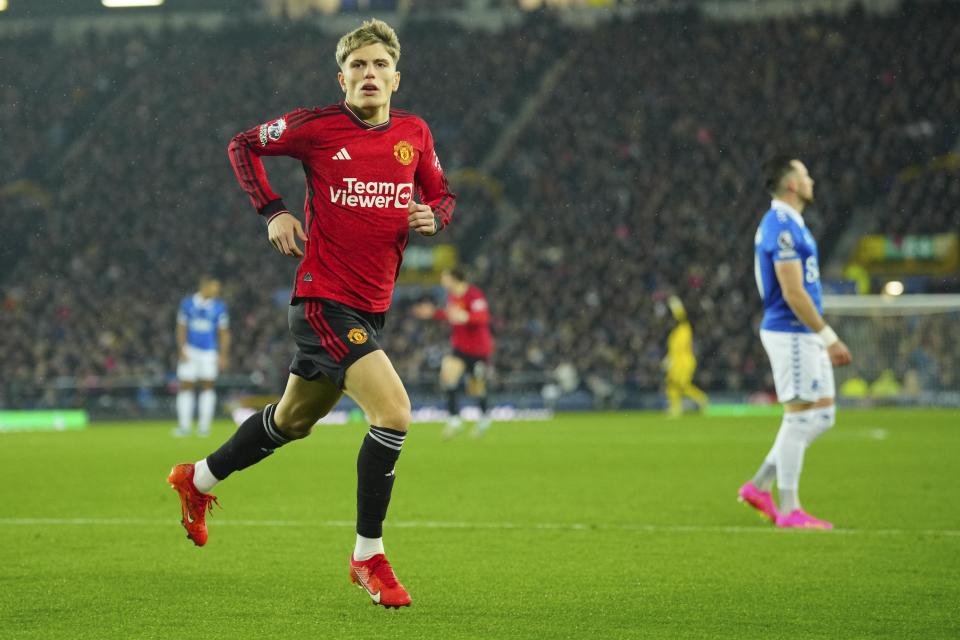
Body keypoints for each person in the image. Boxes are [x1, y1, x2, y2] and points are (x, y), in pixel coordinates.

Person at [166, 19, 455, 609]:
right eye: (358, 66)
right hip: (324, 299)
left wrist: (436, 216)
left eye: (379, 65)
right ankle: (367, 555)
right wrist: (272, 210)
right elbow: (242, 144)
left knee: (291, 423)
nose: (369, 74)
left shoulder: (414, 133)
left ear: (396, 77)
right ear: (342, 77)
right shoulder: (316, 127)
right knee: (395, 412)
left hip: (372, 308)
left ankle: (196, 479)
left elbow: (441, 194)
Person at [738, 156, 852, 530]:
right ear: (791, 185)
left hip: (802, 333)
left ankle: (758, 485)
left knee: (821, 416)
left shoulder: (793, 224)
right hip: (791, 330)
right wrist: (829, 336)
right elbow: (791, 291)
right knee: (799, 416)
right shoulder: (781, 226)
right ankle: (789, 509)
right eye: (805, 174)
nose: (811, 179)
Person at [412, 268, 494, 438]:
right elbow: (451, 315)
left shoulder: (473, 294)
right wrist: (433, 313)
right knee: (448, 376)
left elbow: (483, 317)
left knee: (475, 387)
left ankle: (485, 417)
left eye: (445, 278)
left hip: (478, 348)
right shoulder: (452, 297)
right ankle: (455, 419)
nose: (442, 281)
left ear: (455, 279)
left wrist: (466, 317)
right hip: (460, 347)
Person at [174, 277, 230, 437]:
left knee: (208, 385)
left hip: (209, 351)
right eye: (214, 287)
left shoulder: (219, 307)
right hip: (190, 349)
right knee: (186, 385)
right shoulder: (187, 304)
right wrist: (181, 347)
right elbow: (181, 327)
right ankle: (184, 426)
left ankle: (204, 426)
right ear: (204, 287)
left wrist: (223, 355)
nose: (216, 291)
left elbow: (224, 332)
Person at [662, 295, 708, 417]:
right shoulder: (675, 332)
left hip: (685, 362)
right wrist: (668, 360)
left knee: (682, 385)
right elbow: (673, 349)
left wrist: (675, 305)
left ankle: (702, 399)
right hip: (676, 362)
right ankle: (676, 408)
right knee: (671, 384)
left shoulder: (684, 328)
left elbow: (681, 315)